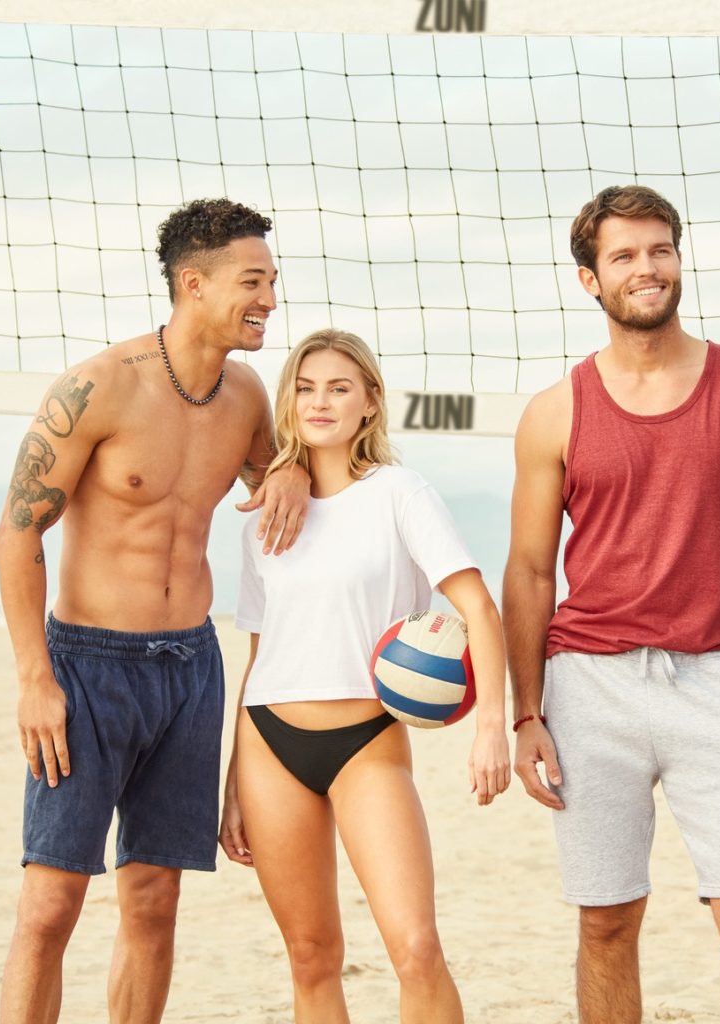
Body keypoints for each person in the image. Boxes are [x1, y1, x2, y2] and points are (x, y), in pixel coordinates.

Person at [504, 184, 720, 1024]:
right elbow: (531, 571)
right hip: (589, 690)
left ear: (679, 259)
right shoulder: (554, 412)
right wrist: (526, 711)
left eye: (659, 250)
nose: (645, 268)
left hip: (719, 685)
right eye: (623, 256)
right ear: (589, 280)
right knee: (607, 923)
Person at [0, 198, 311, 1024]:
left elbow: (291, 485)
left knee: (153, 901)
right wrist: (36, 678)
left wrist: (290, 471)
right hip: (87, 667)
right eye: (253, 281)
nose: (270, 298)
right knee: (51, 903)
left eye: (273, 281)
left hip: (189, 670)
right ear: (193, 284)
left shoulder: (245, 399)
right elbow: (17, 532)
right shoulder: (99, 387)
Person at [219, 328, 511, 1024]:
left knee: (415, 948)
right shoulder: (261, 521)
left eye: (340, 388)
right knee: (312, 957)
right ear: (288, 400)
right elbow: (260, 655)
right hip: (269, 744)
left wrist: (492, 725)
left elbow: (476, 605)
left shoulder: (399, 494)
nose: (320, 402)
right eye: (306, 386)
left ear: (370, 405)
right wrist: (234, 778)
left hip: (365, 742)